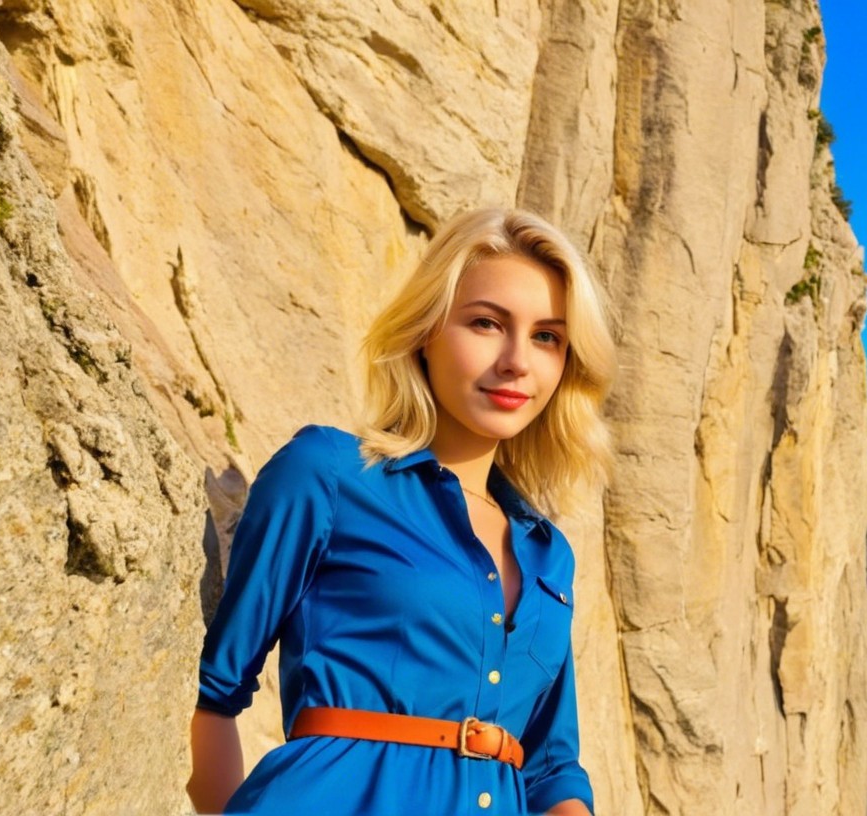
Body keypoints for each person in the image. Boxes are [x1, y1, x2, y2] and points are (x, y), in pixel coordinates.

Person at [186, 207, 616, 816]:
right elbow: (213, 692)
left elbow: (551, 768)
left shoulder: (550, 555)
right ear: (426, 332)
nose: (518, 360)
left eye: (547, 337)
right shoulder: (330, 474)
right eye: (487, 324)